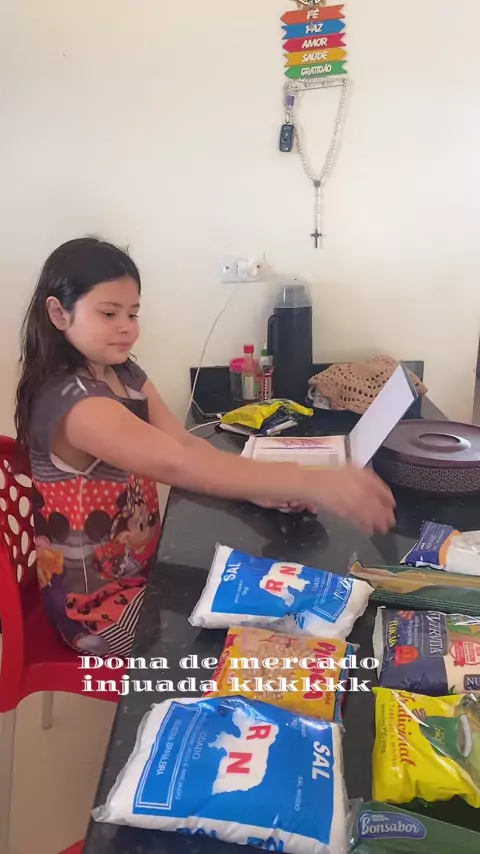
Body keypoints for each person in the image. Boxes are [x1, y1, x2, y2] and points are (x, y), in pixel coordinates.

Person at [15, 237, 395, 656]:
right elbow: (176, 463)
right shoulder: (73, 404)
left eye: (133, 313)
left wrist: (257, 488)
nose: (127, 327)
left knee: (289, 598)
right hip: (99, 608)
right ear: (59, 313)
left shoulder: (122, 373)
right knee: (260, 638)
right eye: (109, 313)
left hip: (143, 567)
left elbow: (180, 442)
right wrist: (311, 481)